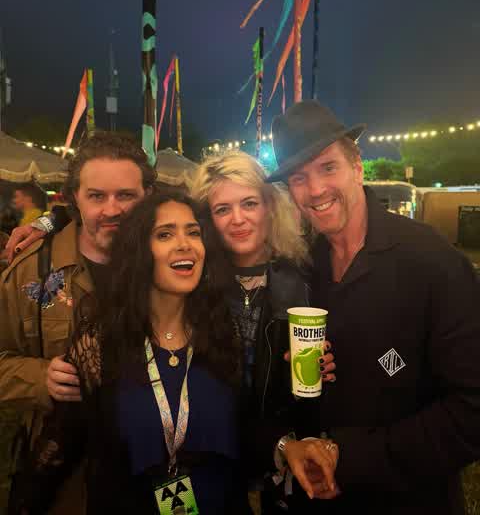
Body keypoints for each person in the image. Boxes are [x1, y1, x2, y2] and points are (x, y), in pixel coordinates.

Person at [267, 99, 480, 514]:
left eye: (328, 168)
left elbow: (472, 409)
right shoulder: (303, 269)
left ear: (357, 167)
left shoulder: (431, 261)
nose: (315, 190)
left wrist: (351, 458)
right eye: (299, 178)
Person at [10, 190, 247, 514]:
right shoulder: (101, 340)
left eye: (193, 232)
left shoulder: (223, 330)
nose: (185, 244)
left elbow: (246, 429)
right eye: (165, 234)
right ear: (140, 251)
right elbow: (61, 444)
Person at [0, 132, 156, 514]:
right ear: (75, 197)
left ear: (147, 197)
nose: (112, 209)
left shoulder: (169, 262)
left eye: (126, 195)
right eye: (96, 196)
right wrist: (40, 378)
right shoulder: (31, 272)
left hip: (150, 470)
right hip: (65, 484)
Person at [189, 150, 337, 513]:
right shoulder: (192, 285)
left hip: (286, 466)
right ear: (208, 219)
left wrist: (330, 366)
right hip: (212, 457)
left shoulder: (307, 278)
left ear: (270, 206)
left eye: (249, 203)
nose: (238, 219)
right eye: (222, 209)